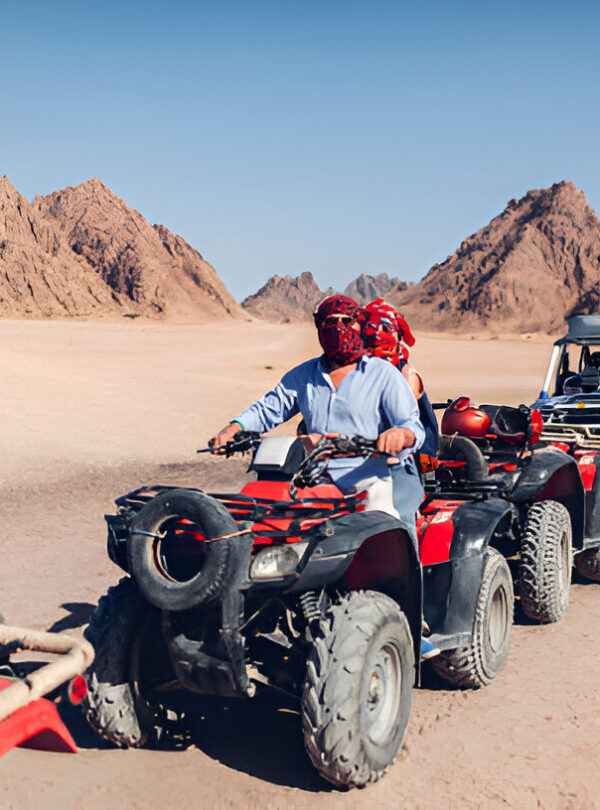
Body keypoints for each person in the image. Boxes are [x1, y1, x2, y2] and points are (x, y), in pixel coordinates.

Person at [210, 294, 425, 514]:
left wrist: (402, 434)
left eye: (347, 321)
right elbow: (268, 409)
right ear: (319, 327)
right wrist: (234, 429)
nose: (339, 328)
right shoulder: (304, 374)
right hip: (318, 481)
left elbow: (412, 426)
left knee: (391, 526)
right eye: (331, 321)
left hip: (371, 481)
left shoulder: (383, 374)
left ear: (359, 325)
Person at [362, 298, 439, 533]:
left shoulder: (407, 375)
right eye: (372, 329)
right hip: (361, 457)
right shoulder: (357, 370)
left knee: (401, 514)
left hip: (402, 458)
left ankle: (411, 554)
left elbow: (409, 416)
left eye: (385, 329)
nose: (378, 335)